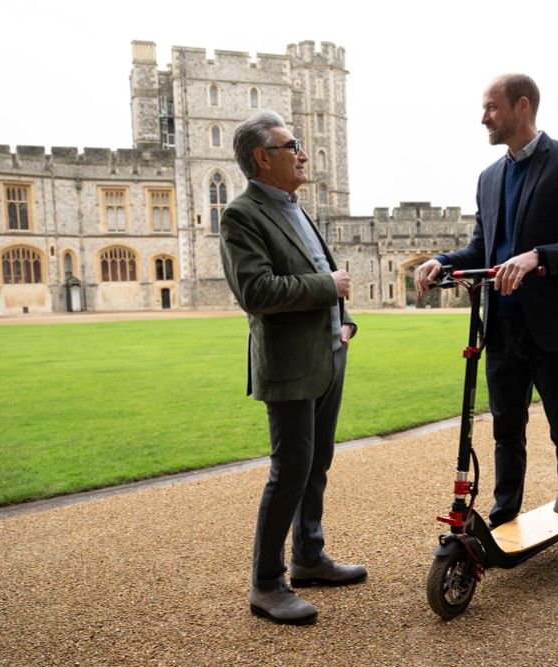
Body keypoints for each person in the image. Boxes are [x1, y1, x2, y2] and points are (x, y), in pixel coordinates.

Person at [414, 74, 558, 601]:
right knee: (506, 433)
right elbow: (484, 248)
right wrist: (442, 261)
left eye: (491, 107)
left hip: (550, 327)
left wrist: (539, 258)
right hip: (499, 328)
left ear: (522, 106)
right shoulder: (488, 177)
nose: (483, 117)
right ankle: (504, 521)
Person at [219, 110, 366, 626]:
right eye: (292, 146)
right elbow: (255, 291)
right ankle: (266, 584)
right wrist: (330, 289)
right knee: (289, 472)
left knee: (317, 463)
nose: (303, 154)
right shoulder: (242, 215)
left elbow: (322, 271)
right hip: (288, 365)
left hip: (328, 355)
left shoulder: (295, 207)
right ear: (263, 157)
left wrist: (345, 323)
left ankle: (309, 556)